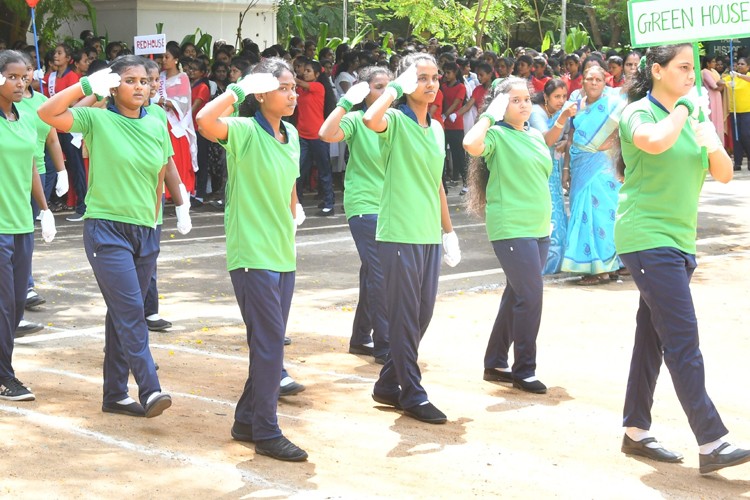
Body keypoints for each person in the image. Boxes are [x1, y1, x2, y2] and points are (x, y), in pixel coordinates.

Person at [616, 43, 750, 475]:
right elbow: (653, 144)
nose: (692, 75)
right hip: (645, 238)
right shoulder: (638, 112)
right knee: (681, 338)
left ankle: (635, 429)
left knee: (652, 337)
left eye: (693, 68)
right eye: (682, 68)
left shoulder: (691, 119)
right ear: (656, 71)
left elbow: (726, 173)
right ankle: (712, 439)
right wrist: (683, 112)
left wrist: (707, 132)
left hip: (679, 243)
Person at [38, 56, 174, 418]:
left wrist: (158, 220)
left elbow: (159, 177)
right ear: (114, 86)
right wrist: (85, 86)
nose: (140, 86)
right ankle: (150, 386)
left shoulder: (158, 125)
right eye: (129, 80)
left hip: (146, 230)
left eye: (144, 80)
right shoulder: (96, 118)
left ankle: (114, 394)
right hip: (106, 229)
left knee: (121, 314)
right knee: (132, 312)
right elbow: (49, 114)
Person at [196, 57, 308, 462]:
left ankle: (246, 419)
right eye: (283, 87)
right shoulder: (243, 129)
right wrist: (238, 89)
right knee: (269, 343)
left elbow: (290, 181)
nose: (292, 93)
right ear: (261, 93)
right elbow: (205, 121)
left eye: (294, 87)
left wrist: (295, 210)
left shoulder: (291, 133)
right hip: (252, 252)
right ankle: (266, 430)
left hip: (282, 250)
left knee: (268, 342)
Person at [362, 54, 461, 424]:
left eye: (435, 77)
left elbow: (436, 184)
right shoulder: (396, 120)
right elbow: (371, 119)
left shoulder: (435, 129)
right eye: (421, 78)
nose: (431, 84)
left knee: (422, 314)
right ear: (406, 82)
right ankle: (411, 393)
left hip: (427, 234)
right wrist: (394, 88)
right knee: (405, 317)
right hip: (399, 232)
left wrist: (448, 231)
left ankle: (388, 384)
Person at [463, 77, 553, 394]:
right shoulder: (496, 136)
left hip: (539, 227)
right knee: (530, 296)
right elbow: (471, 144)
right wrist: (489, 114)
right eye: (515, 100)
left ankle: (495, 362)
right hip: (512, 227)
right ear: (502, 105)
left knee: (516, 294)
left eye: (526, 98)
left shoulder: (536, 136)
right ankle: (524, 370)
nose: (524, 103)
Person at [319, 66, 393, 365]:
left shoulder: (397, 121)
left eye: (389, 86)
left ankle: (362, 336)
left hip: (391, 206)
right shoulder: (355, 120)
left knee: (372, 272)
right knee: (381, 273)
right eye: (377, 86)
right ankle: (385, 342)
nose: (384, 92)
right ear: (365, 91)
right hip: (364, 205)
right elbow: (326, 134)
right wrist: (346, 101)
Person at [0, 50, 56, 400]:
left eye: (25, 76)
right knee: (4, 304)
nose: (22, 82)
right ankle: (5, 376)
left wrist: (45, 209)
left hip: (21, 223)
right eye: (13, 77)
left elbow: (32, 164)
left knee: (17, 304)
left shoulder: (24, 118)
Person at [561, 65, 626, 285]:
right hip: (580, 165)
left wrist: (608, 144)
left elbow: (622, 129)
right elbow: (571, 135)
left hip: (602, 166)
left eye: (598, 79)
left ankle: (603, 268)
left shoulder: (613, 105)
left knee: (602, 215)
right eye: (590, 79)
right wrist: (567, 168)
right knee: (583, 212)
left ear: (605, 82)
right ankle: (601, 267)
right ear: (583, 82)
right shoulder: (577, 107)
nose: (594, 83)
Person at [529, 79, 577, 274]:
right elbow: (547, 139)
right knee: (548, 212)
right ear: (546, 96)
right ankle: (546, 262)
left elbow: (563, 138)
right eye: (556, 96)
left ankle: (558, 260)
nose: (561, 100)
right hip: (539, 171)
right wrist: (563, 117)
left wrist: (565, 142)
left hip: (553, 167)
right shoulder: (536, 112)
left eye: (564, 96)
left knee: (557, 209)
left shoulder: (554, 112)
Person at [295, 59, 335, 216]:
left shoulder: (318, 87)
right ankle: (296, 202)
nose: (304, 73)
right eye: (304, 70)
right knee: (298, 171)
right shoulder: (300, 88)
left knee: (324, 169)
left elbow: (301, 83)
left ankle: (329, 203)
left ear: (317, 74)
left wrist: (292, 76)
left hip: (318, 135)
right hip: (302, 135)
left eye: (308, 71)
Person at [160, 45, 196, 199]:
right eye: (162, 57)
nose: (163, 60)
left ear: (176, 60)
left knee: (178, 159)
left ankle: (182, 193)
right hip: (161, 122)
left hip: (175, 124)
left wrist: (162, 101)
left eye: (167, 57)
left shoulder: (182, 78)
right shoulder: (159, 76)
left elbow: (184, 102)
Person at [441, 62, 468, 191]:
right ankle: (444, 185)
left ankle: (466, 182)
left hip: (456, 125)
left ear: (455, 73)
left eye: (448, 72)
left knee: (459, 155)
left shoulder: (461, 87)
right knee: (442, 154)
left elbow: (457, 102)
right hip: (443, 125)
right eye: (445, 72)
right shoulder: (443, 86)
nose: (446, 75)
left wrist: (446, 114)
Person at [723, 58, 750, 170]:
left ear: (748, 67)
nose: (739, 65)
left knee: (745, 135)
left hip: (747, 111)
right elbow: (718, 83)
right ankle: (737, 162)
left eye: (742, 64)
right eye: (738, 64)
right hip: (734, 111)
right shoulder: (732, 76)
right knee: (736, 138)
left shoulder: (746, 75)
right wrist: (727, 82)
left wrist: (738, 75)